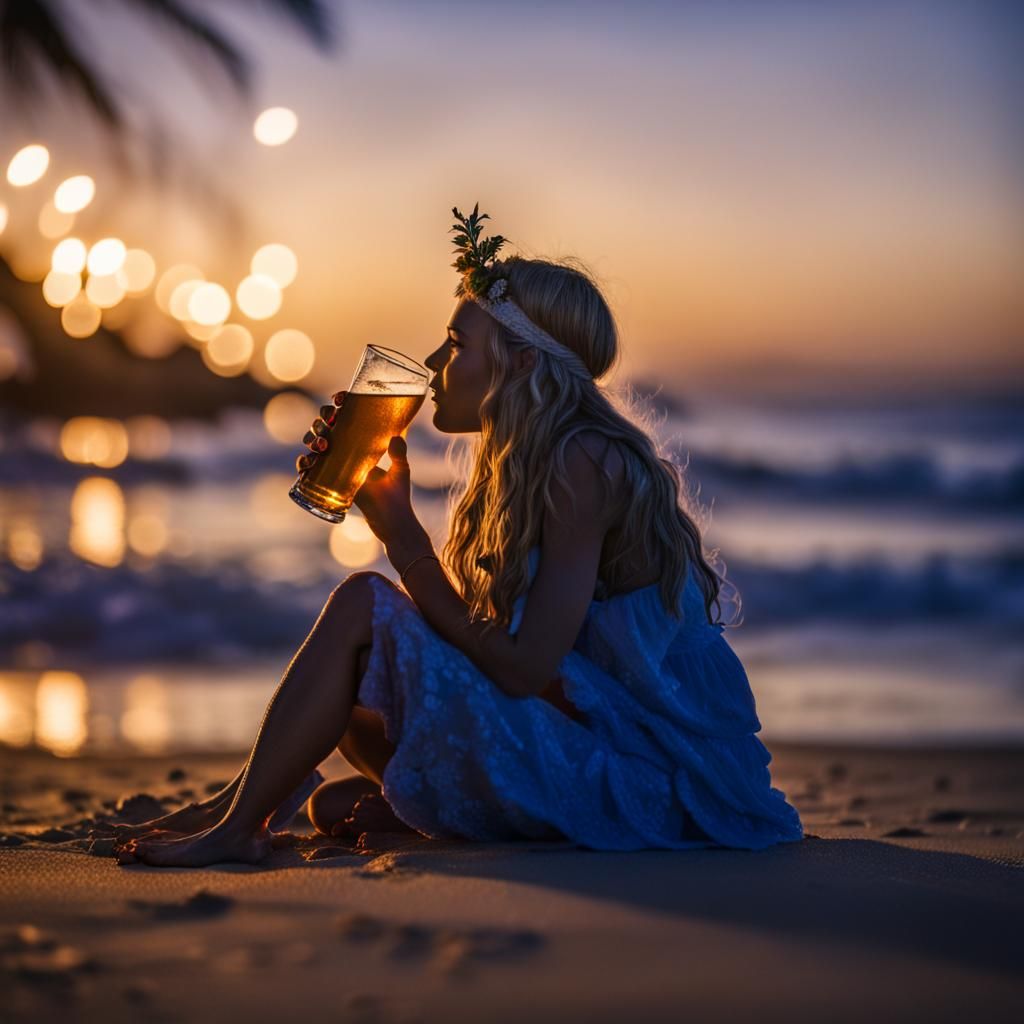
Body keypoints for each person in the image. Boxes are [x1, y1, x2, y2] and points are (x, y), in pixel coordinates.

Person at [108, 203, 803, 866]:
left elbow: (526, 669)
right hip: (587, 739)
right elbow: (495, 652)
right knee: (348, 714)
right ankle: (238, 808)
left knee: (361, 606)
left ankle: (239, 825)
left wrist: (403, 536)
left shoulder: (583, 460)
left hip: (645, 780)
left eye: (457, 344)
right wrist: (387, 505)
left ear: (522, 364)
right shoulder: (529, 463)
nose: (435, 365)